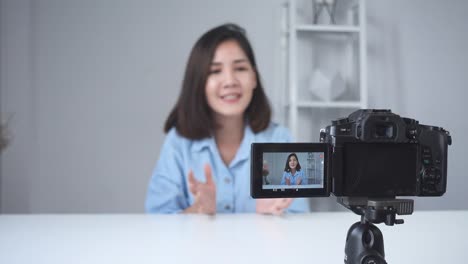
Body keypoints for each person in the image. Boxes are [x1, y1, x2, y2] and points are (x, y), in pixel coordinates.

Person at [145, 23, 308, 215]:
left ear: (254, 77)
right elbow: (157, 221)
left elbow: (299, 217)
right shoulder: (179, 143)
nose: (230, 81)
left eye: (240, 68)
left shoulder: (279, 138)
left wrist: (273, 214)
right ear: (199, 83)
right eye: (215, 71)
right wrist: (196, 211)